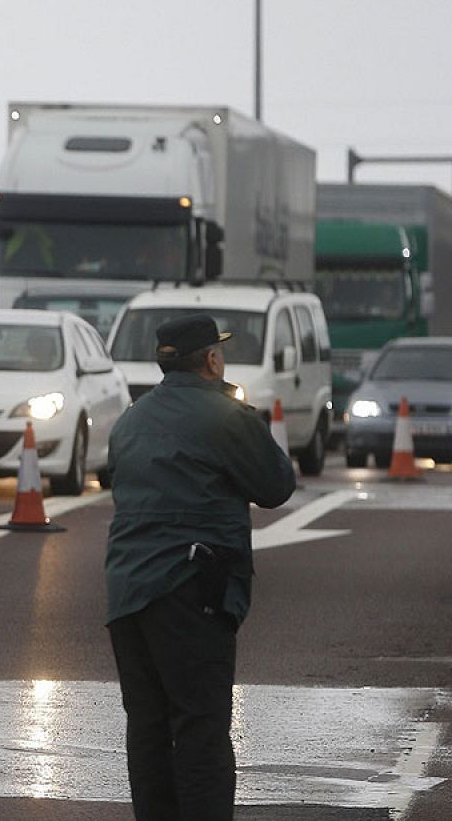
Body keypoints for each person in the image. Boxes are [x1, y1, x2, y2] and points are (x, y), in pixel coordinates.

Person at [105, 312, 295, 821]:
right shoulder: (225, 417)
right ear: (212, 359)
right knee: (201, 727)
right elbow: (276, 486)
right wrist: (245, 415)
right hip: (192, 587)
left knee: (147, 726)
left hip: (126, 593)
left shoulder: (131, 419)